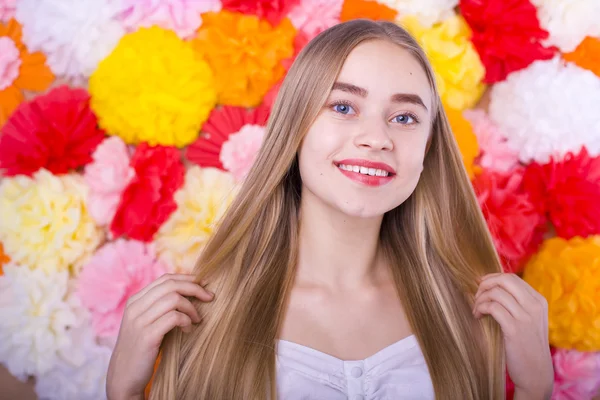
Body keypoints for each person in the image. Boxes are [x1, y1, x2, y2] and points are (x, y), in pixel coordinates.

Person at [106, 19, 554, 400]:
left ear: (428, 148)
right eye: (343, 106)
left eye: (404, 118)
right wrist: (124, 392)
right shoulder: (202, 314)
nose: (376, 138)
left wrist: (536, 390)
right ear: (295, 126)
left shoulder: (469, 314)